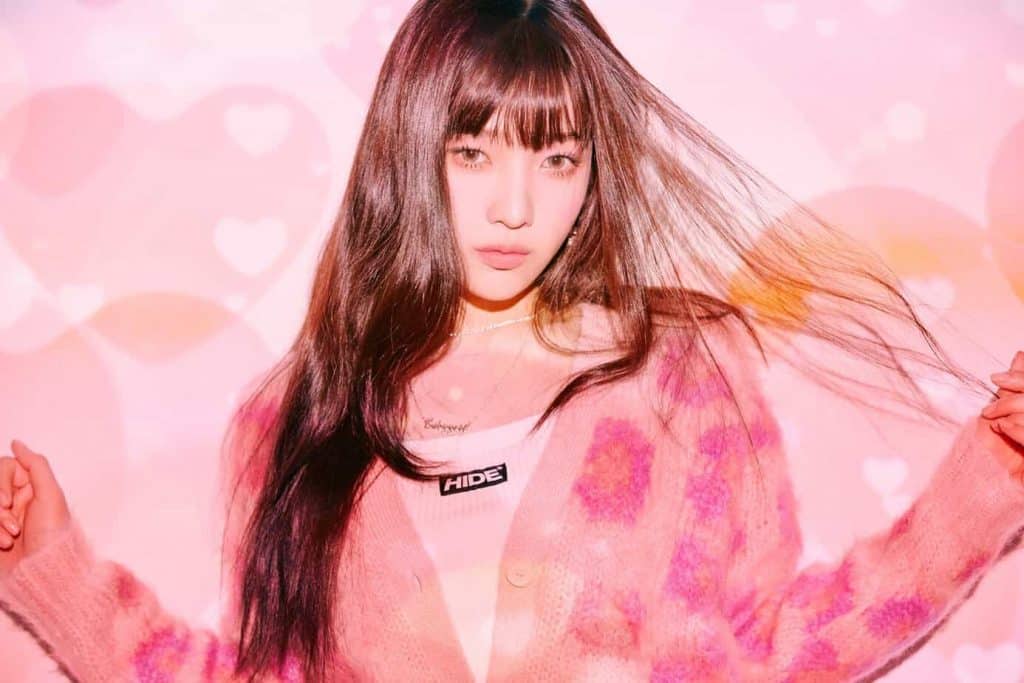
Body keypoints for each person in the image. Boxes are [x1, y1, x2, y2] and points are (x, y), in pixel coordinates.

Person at [1, 0, 1023, 680]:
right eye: (474, 151)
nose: (515, 206)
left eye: (556, 157)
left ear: (592, 169)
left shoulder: (683, 378)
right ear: (413, 150)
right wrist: (52, 565)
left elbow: (771, 647)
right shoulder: (294, 420)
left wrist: (990, 473)